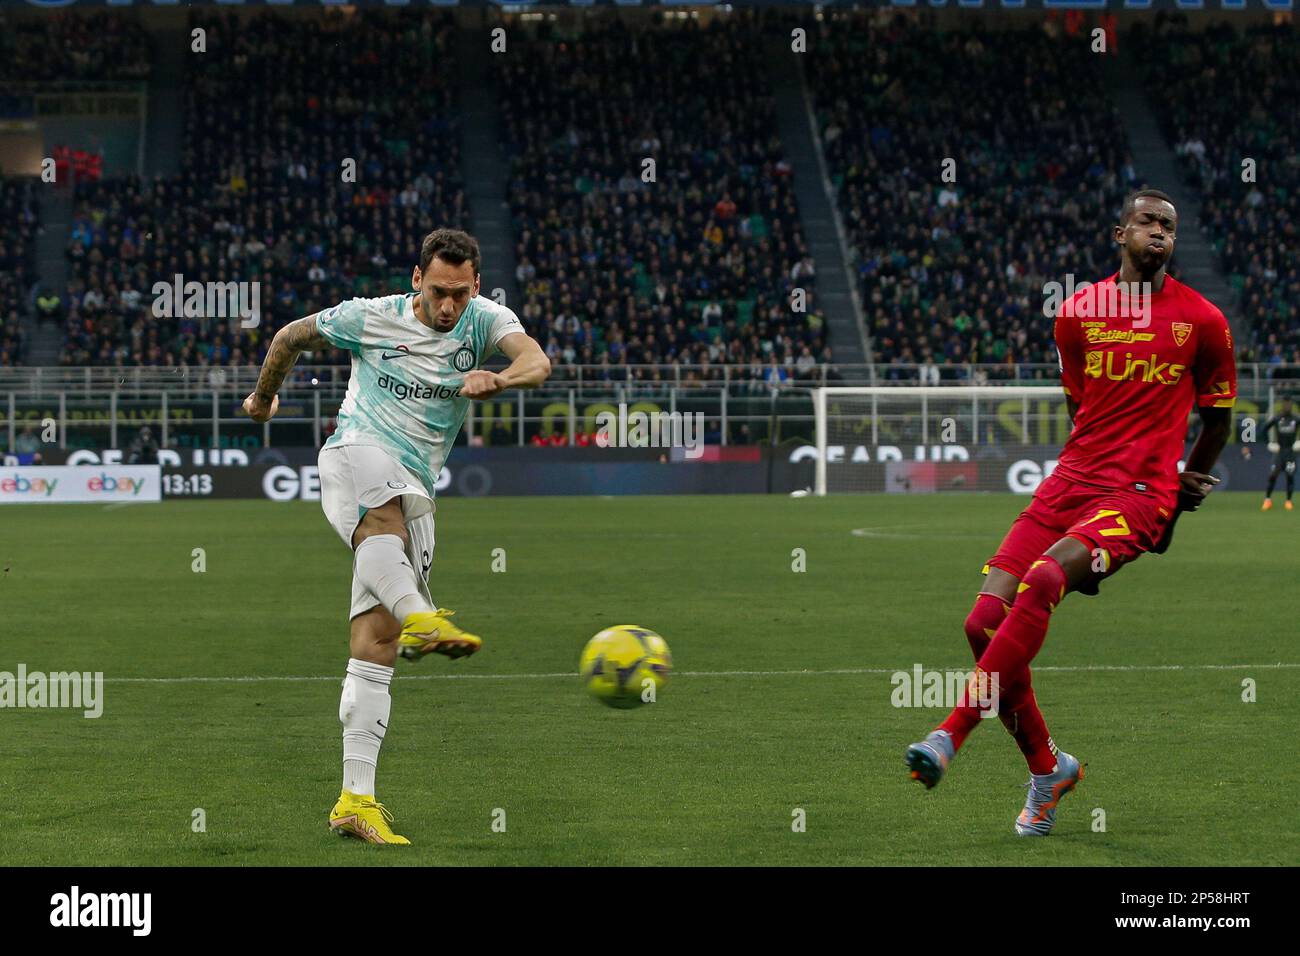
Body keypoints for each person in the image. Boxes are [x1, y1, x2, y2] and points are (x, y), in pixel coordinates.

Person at [905, 189, 1237, 836]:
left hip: (1140, 492)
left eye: (1169, 225)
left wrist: (1176, 495)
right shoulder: (1077, 312)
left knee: (1048, 579)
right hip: (1071, 481)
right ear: (1121, 232)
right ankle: (1048, 768)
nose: (1159, 232)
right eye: (1147, 221)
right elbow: (1080, 406)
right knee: (981, 624)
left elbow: (1219, 418)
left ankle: (949, 733)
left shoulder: (1202, 321)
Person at [242, 228, 550, 845]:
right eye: (438, 292)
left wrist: (501, 379)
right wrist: (262, 398)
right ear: (417, 280)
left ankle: (356, 800)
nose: (448, 307)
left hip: (418, 487)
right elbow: (288, 336)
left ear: (477, 288)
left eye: (460, 295)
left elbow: (537, 361)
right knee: (380, 518)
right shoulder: (369, 319)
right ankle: (425, 617)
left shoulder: (486, 320)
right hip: (356, 455)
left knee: (376, 642)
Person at [1259, 396, 1298, 511]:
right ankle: (1267, 500)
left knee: (1290, 476)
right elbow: (1264, 429)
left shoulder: (1296, 418)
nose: (1287, 406)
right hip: (1279, 452)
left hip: (1291, 452)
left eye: (1289, 404)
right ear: (1282, 405)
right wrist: (1269, 444)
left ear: (1291, 405)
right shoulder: (1277, 418)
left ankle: (1288, 501)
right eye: (1285, 404)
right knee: (1273, 476)